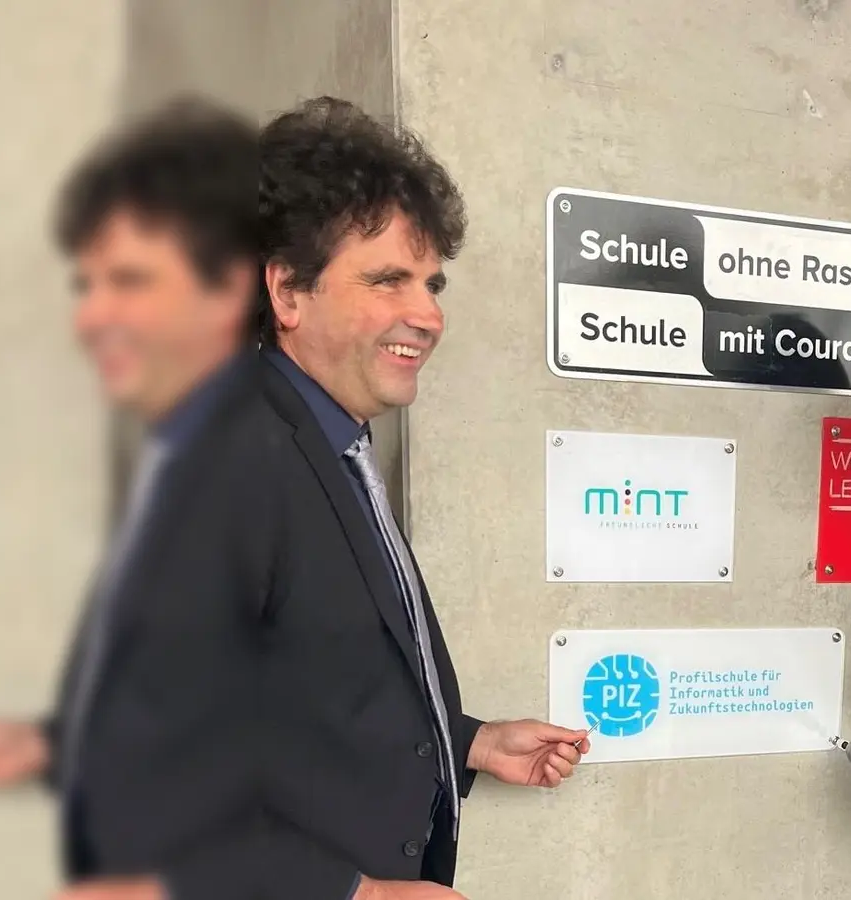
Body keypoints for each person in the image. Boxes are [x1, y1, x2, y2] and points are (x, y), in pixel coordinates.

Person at [251, 96, 589, 899]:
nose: (428, 314)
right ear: (288, 293)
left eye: (430, 282)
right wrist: (351, 892)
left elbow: (304, 683)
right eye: (387, 280)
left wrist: (464, 742)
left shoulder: (330, 441)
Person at [0, 98, 264, 898]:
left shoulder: (273, 465)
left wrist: (178, 887)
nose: (91, 315)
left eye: (128, 280)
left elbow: (347, 756)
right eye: (86, 283)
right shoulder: (179, 452)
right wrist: (53, 746)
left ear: (228, 286)